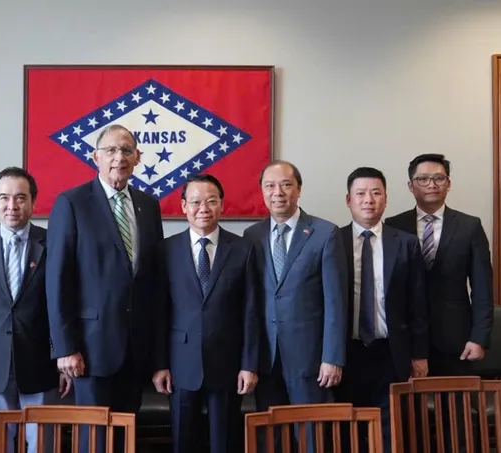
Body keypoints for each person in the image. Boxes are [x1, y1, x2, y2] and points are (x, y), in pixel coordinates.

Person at [46, 124, 164, 453]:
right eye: (110, 150)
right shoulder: (71, 203)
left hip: (136, 348)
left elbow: (153, 281)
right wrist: (65, 347)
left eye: (126, 150)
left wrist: (157, 353)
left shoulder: (148, 206)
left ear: (138, 157)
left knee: (127, 439)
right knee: (94, 440)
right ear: (95, 157)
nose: (118, 157)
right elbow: (57, 279)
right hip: (89, 349)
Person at [0, 167, 72, 453]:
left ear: (33, 202)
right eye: (4, 197)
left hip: (41, 364)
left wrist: (64, 356)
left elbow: (65, 304)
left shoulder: (53, 242)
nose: (12, 205)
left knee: (43, 445)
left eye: (20, 198)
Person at [385, 154, 493, 452]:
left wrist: (479, 337)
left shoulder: (470, 226)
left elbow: (483, 288)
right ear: (411, 186)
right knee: (409, 417)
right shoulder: (393, 226)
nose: (431, 184)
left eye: (438, 178)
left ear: (449, 183)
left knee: (456, 421)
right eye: (423, 179)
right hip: (405, 337)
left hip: (455, 339)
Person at [243, 160, 348, 453]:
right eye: (270, 186)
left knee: (311, 436)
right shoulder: (251, 236)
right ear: (262, 192)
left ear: (299, 190)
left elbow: (336, 302)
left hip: (310, 359)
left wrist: (332, 357)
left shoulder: (325, 233)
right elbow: (250, 302)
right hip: (266, 358)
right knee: (270, 437)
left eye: (286, 185)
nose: (278, 192)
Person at [153, 174, 259, 453]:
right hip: (180, 365)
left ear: (222, 205)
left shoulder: (243, 249)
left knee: (225, 442)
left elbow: (251, 312)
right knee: (183, 442)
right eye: (196, 202)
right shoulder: (165, 250)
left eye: (211, 201)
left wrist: (249, 365)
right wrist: (160, 364)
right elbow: (159, 313)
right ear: (183, 206)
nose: (204, 208)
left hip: (228, 365)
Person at [334, 167, 428, 453]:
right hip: (346, 352)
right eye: (361, 193)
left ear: (385, 199)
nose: (368, 200)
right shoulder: (332, 241)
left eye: (376, 193)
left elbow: (417, 304)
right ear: (348, 200)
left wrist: (419, 355)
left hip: (390, 351)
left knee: (390, 431)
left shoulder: (406, 243)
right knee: (347, 430)